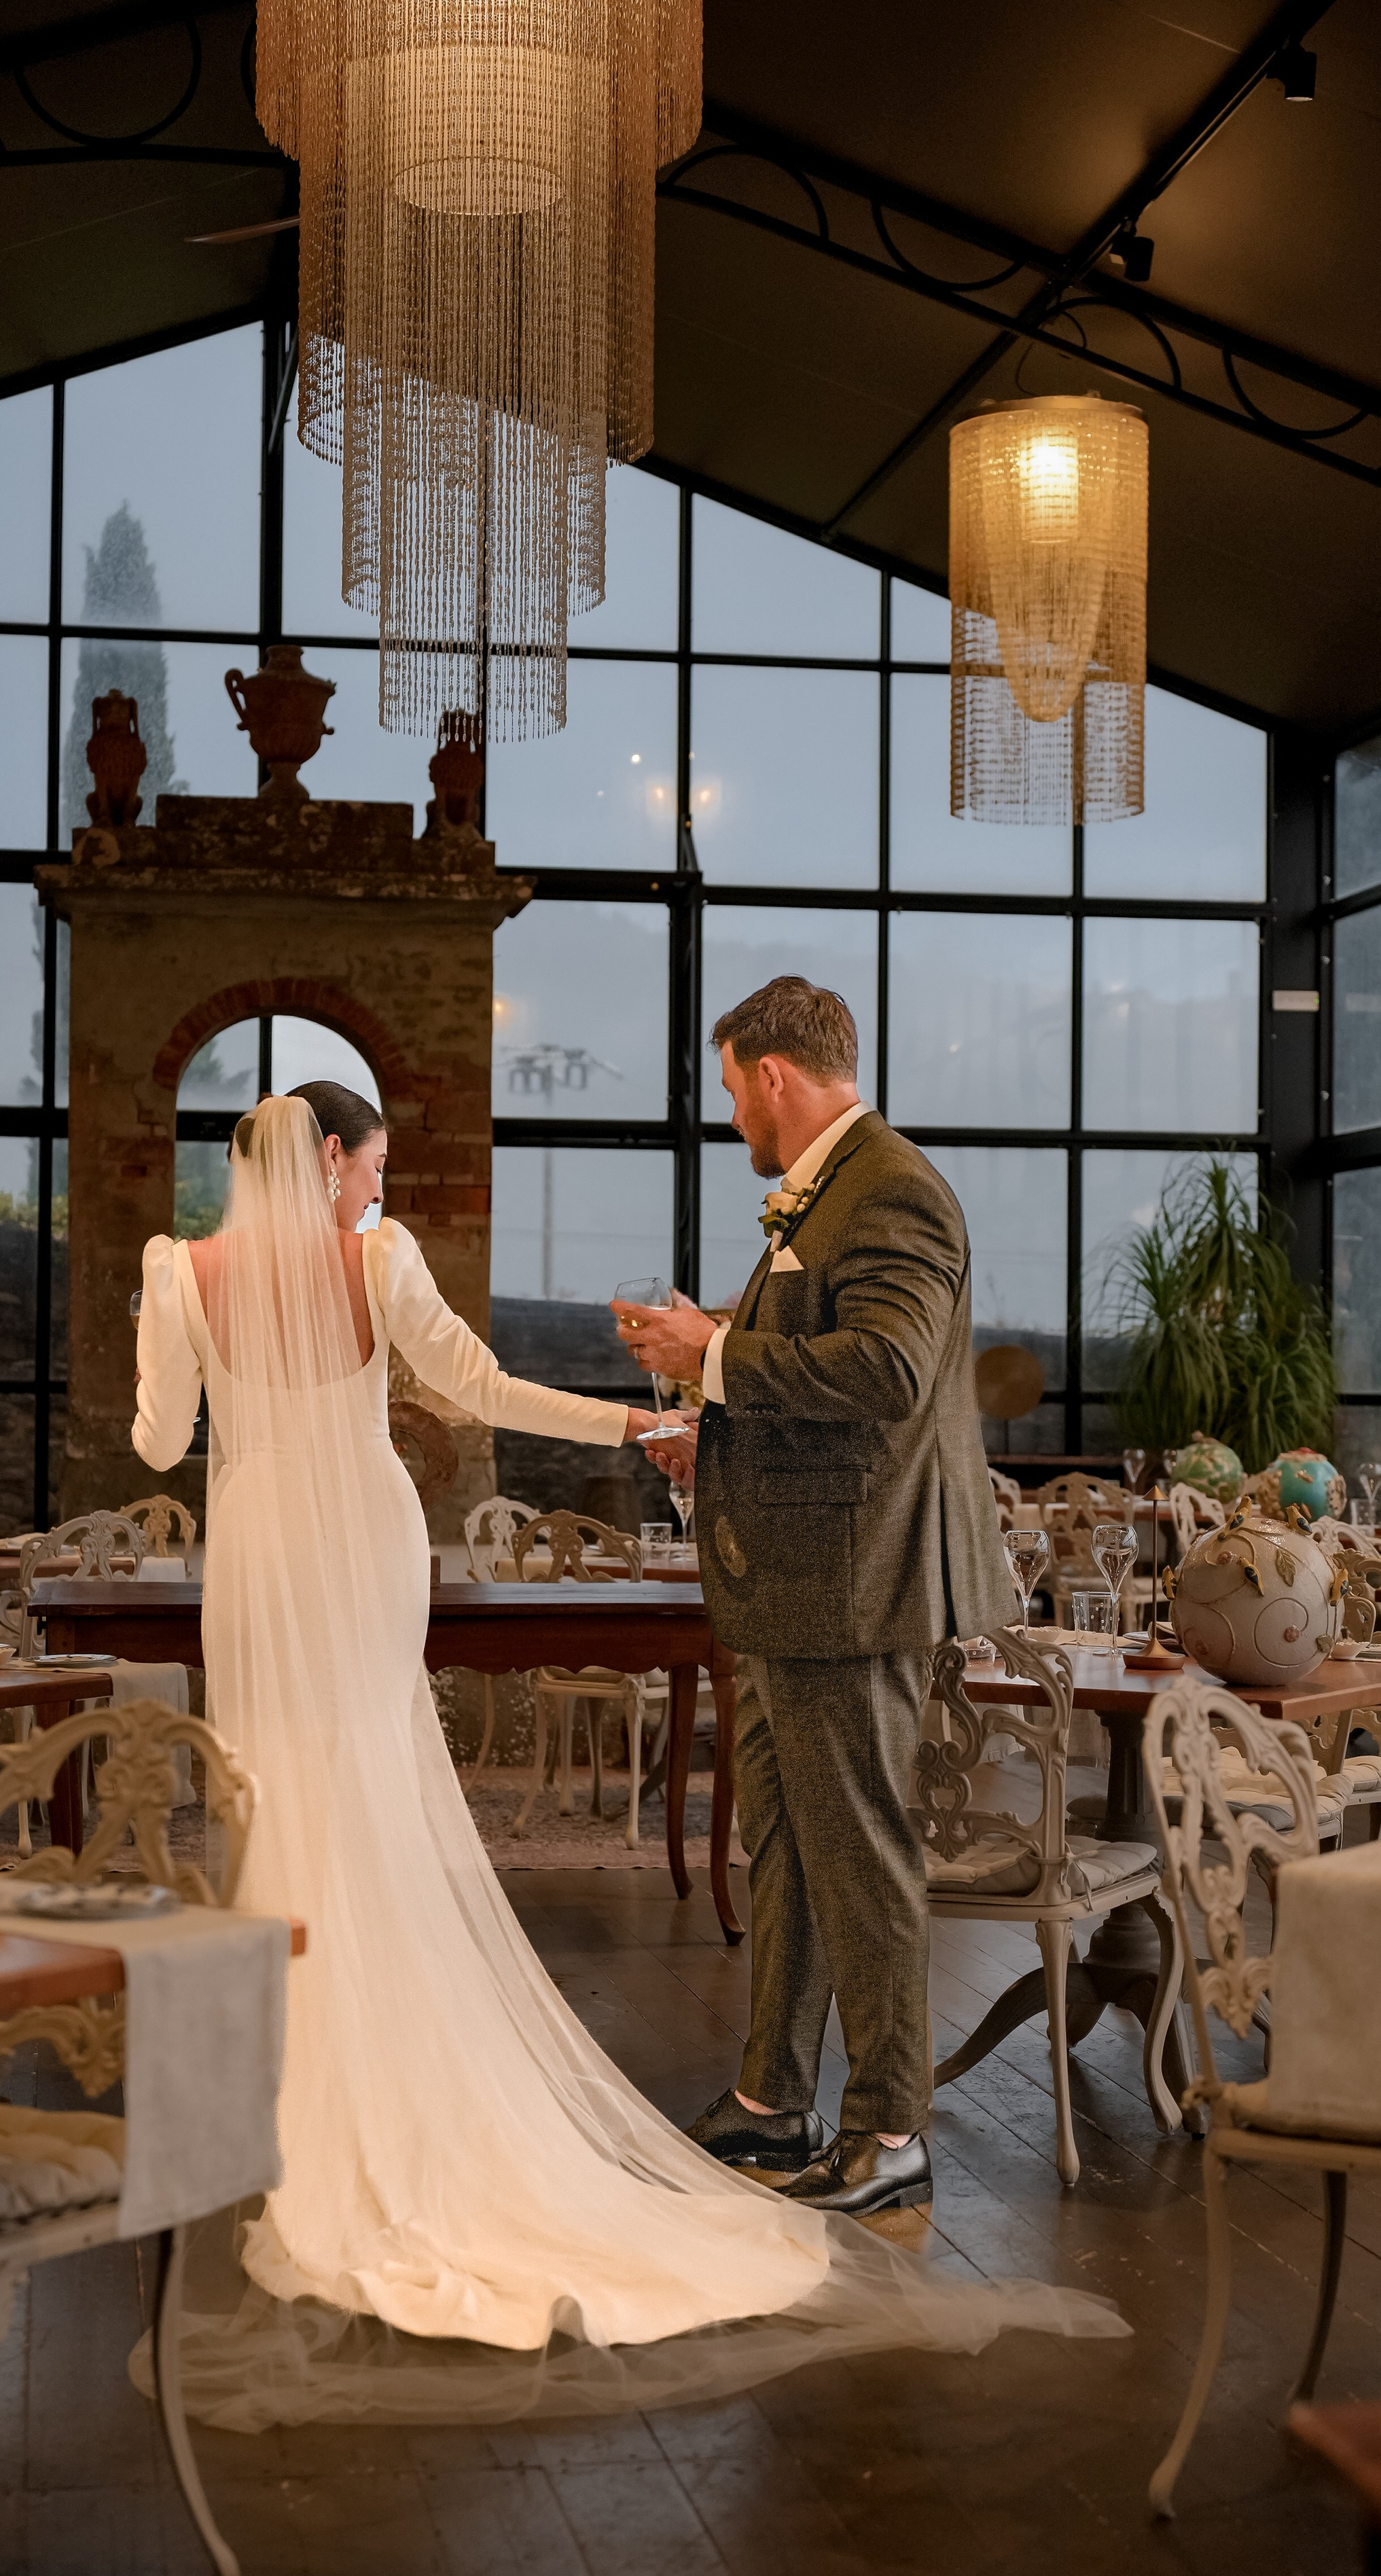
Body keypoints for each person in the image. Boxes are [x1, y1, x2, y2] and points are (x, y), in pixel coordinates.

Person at [129, 1082, 1119, 2431]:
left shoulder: (176, 1270)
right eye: (371, 1164)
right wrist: (633, 1423)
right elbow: (473, 1389)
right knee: (365, 1787)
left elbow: (152, 1441)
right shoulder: (378, 1260)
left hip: (248, 1536)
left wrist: (201, 1380)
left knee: (271, 1793)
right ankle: (374, 2073)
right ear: (333, 1158)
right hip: (358, 1532)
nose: (374, 1189)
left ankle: (281, 2088)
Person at [616, 977, 1015, 2219]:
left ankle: (892, 2128)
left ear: (776, 1076)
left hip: (852, 1587)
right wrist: (713, 1423)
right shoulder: (828, 1193)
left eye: (733, 1087)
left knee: (859, 1858)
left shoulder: (890, 1188)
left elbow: (888, 1373)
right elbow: (828, 1368)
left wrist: (712, 1354)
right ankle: (770, 2104)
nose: (732, 1111)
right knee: (783, 1847)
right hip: (794, 1584)